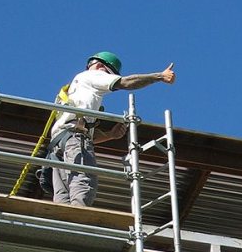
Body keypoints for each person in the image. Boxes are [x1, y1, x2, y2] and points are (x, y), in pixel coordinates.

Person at [50, 51, 176, 207]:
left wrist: (110, 135)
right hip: (73, 138)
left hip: (58, 143)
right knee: (83, 180)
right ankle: (78, 216)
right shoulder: (92, 75)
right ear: (100, 66)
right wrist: (159, 76)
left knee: (64, 190)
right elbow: (126, 82)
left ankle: (63, 221)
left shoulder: (75, 91)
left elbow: (80, 132)